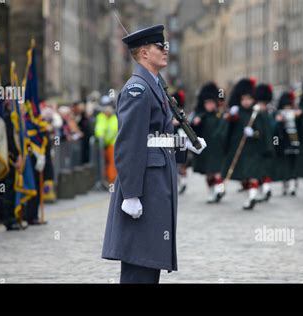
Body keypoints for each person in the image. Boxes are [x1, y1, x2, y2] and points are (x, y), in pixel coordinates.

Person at [101, 24, 206, 284]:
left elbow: (153, 138)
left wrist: (183, 144)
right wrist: (132, 194)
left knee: (149, 262)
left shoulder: (154, 85)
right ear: (144, 53)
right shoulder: (138, 89)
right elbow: (129, 144)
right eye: (160, 47)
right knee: (140, 263)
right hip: (144, 186)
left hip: (155, 183)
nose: (166, 50)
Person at [220, 78, 273, 210]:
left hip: (254, 151)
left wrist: (253, 133)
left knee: (253, 175)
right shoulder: (236, 113)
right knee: (244, 177)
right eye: (243, 99)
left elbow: (263, 132)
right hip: (240, 150)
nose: (246, 102)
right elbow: (227, 130)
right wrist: (230, 118)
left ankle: (252, 197)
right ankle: (249, 196)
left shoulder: (258, 114)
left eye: (248, 99)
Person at [191, 82, 225, 203]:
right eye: (207, 103)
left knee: (218, 172)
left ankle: (220, 190)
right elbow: (194, 132)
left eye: (211, 103)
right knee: (209, 173)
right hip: (206, 149)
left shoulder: (220, 116)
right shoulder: (200, 116)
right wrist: (195, 123)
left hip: (217, 148)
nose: (209, 105)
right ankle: (211, 192)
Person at [273, 91, 300, 196]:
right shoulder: (278, 115)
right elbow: (275, 131)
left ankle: (293, 184)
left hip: (294, 140)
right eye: (286, 107)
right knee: (285, 164)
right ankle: (285, 183)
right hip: (284, 142)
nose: (287, 109)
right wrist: (279, 122)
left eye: (289, 106)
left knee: (294, 164)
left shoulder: (296, 114)